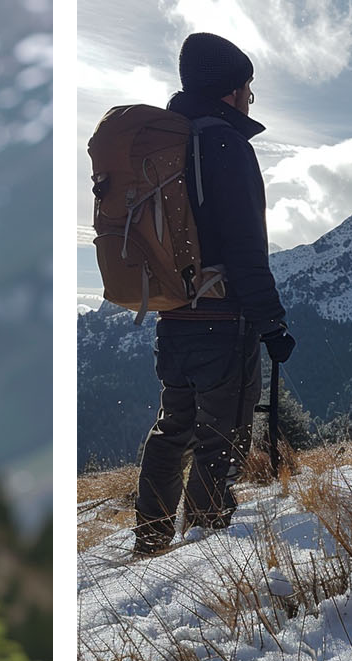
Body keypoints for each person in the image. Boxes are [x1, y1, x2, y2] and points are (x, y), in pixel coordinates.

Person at [133, 32, 294, 557]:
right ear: (230, 89)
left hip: (171, 314)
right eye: (248, 87)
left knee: (173, 426)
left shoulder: (170, 142)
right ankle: (204, 549)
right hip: (224, 320)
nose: (250, 98)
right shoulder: (227, 147)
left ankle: (152, 538)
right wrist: (273, 325)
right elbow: (247, 249)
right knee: (220, 438)